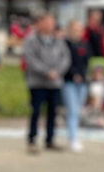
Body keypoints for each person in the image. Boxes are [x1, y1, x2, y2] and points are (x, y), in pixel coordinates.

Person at [24, 13, 71, 153]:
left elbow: (66, 57)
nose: (50, 25)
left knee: (53, 112)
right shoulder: (31, 40)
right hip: (37, 82)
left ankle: (50, 139)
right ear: (40, 23)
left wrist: (58, 71)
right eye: (47, 22)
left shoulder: (58, 40)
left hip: (55, 82)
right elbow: (30, 59)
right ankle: (32, 139)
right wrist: (46, 71)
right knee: (36, 111)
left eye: (52, 22)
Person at [63, 20, 91, 152]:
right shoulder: (64, 44)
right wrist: (73, 74)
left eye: (79, 29)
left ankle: (74, 134)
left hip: (83, 82)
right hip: (69, 82)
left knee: (78, 110)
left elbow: (87, 63)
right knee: (72, 110)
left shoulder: (84, 45)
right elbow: (64, 62)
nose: (77, 32)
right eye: (75, 29)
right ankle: (72, 137)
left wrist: (85, 75)